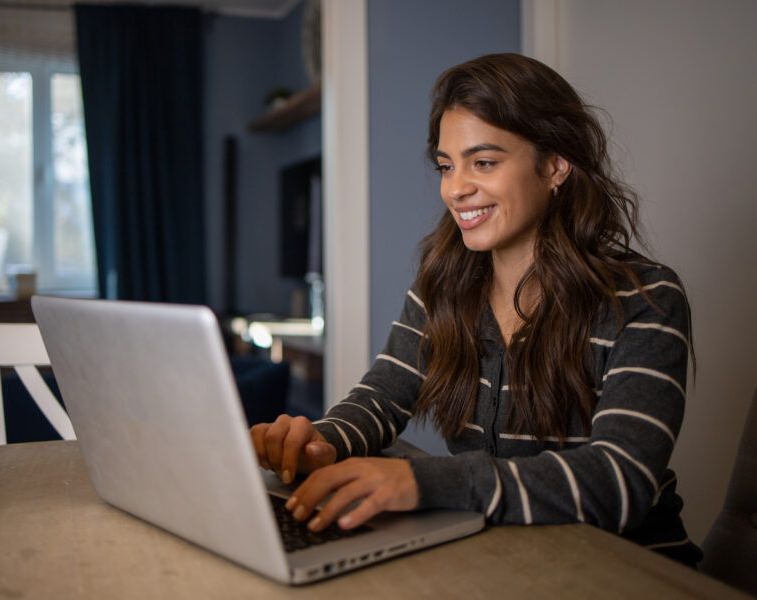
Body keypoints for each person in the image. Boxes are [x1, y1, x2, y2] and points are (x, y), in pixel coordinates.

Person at [250, 53, 701, 567]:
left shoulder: (644, 298)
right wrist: (322, 443)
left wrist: (423, 482)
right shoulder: (443, 285)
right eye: (446, 165)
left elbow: (620, 479)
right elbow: (381, 398)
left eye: (483, 162)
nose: (455, 188)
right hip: (505, 559)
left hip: (628, 569)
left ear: (555, 165)